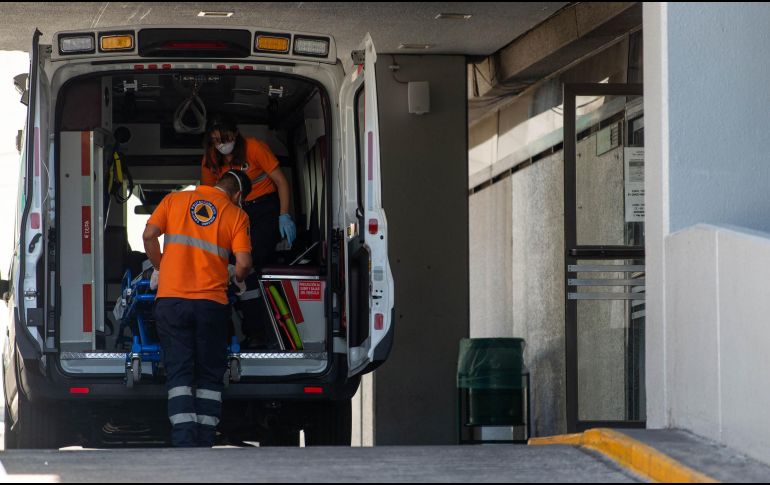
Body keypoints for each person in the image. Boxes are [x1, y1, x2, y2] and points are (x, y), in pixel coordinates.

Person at [143, 170, 253, 447]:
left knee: (179, 373)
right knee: (208, 373)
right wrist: (236, 278)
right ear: (238, 195)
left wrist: (161, 266)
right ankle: (204, 441)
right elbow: (243, 264)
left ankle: (183, 441)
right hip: (210, 305)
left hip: (171, 302)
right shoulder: (236, 215)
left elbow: (148, 235)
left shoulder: (174, 200)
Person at [200, 113, 296, 348]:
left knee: (249, 264)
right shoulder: (211, 159)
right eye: (216, 140)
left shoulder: (254, 148)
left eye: (226, 138)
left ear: (236, 133)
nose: (222, 144)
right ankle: (240, 332)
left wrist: (284, 215)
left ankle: (257, 334)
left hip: (264, 208)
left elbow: (281, 182)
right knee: (230, 268)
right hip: (233, 210)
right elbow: (207, 196)